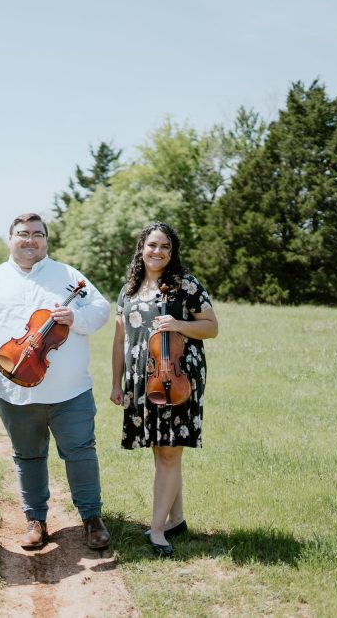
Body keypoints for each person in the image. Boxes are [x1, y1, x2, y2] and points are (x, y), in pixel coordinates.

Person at [0, 212, 112, 550]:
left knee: (81, 451)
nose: (30, 240)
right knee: (27, 455)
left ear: (46, 240)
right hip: (12, 389)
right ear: (10, 238)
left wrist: (77, 317)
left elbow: (101, 309)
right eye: (23, 233)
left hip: (70, 389)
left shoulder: (68, 275)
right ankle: (35, 520)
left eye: (37, 234)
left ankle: (92, 518)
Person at [110, 222, 218, 557]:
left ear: (172, 253)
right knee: (163, 450)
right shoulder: (129, 289)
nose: (158, 252)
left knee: (170, 452)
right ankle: (176, 519)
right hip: (143, 380)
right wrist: (117, 382)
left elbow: (211, 327)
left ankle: (157, 531)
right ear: (141, 247)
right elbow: (119, 339)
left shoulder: (185, 284)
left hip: (177, 377)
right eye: (153, 245)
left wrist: (179, 324)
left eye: (165, 247)